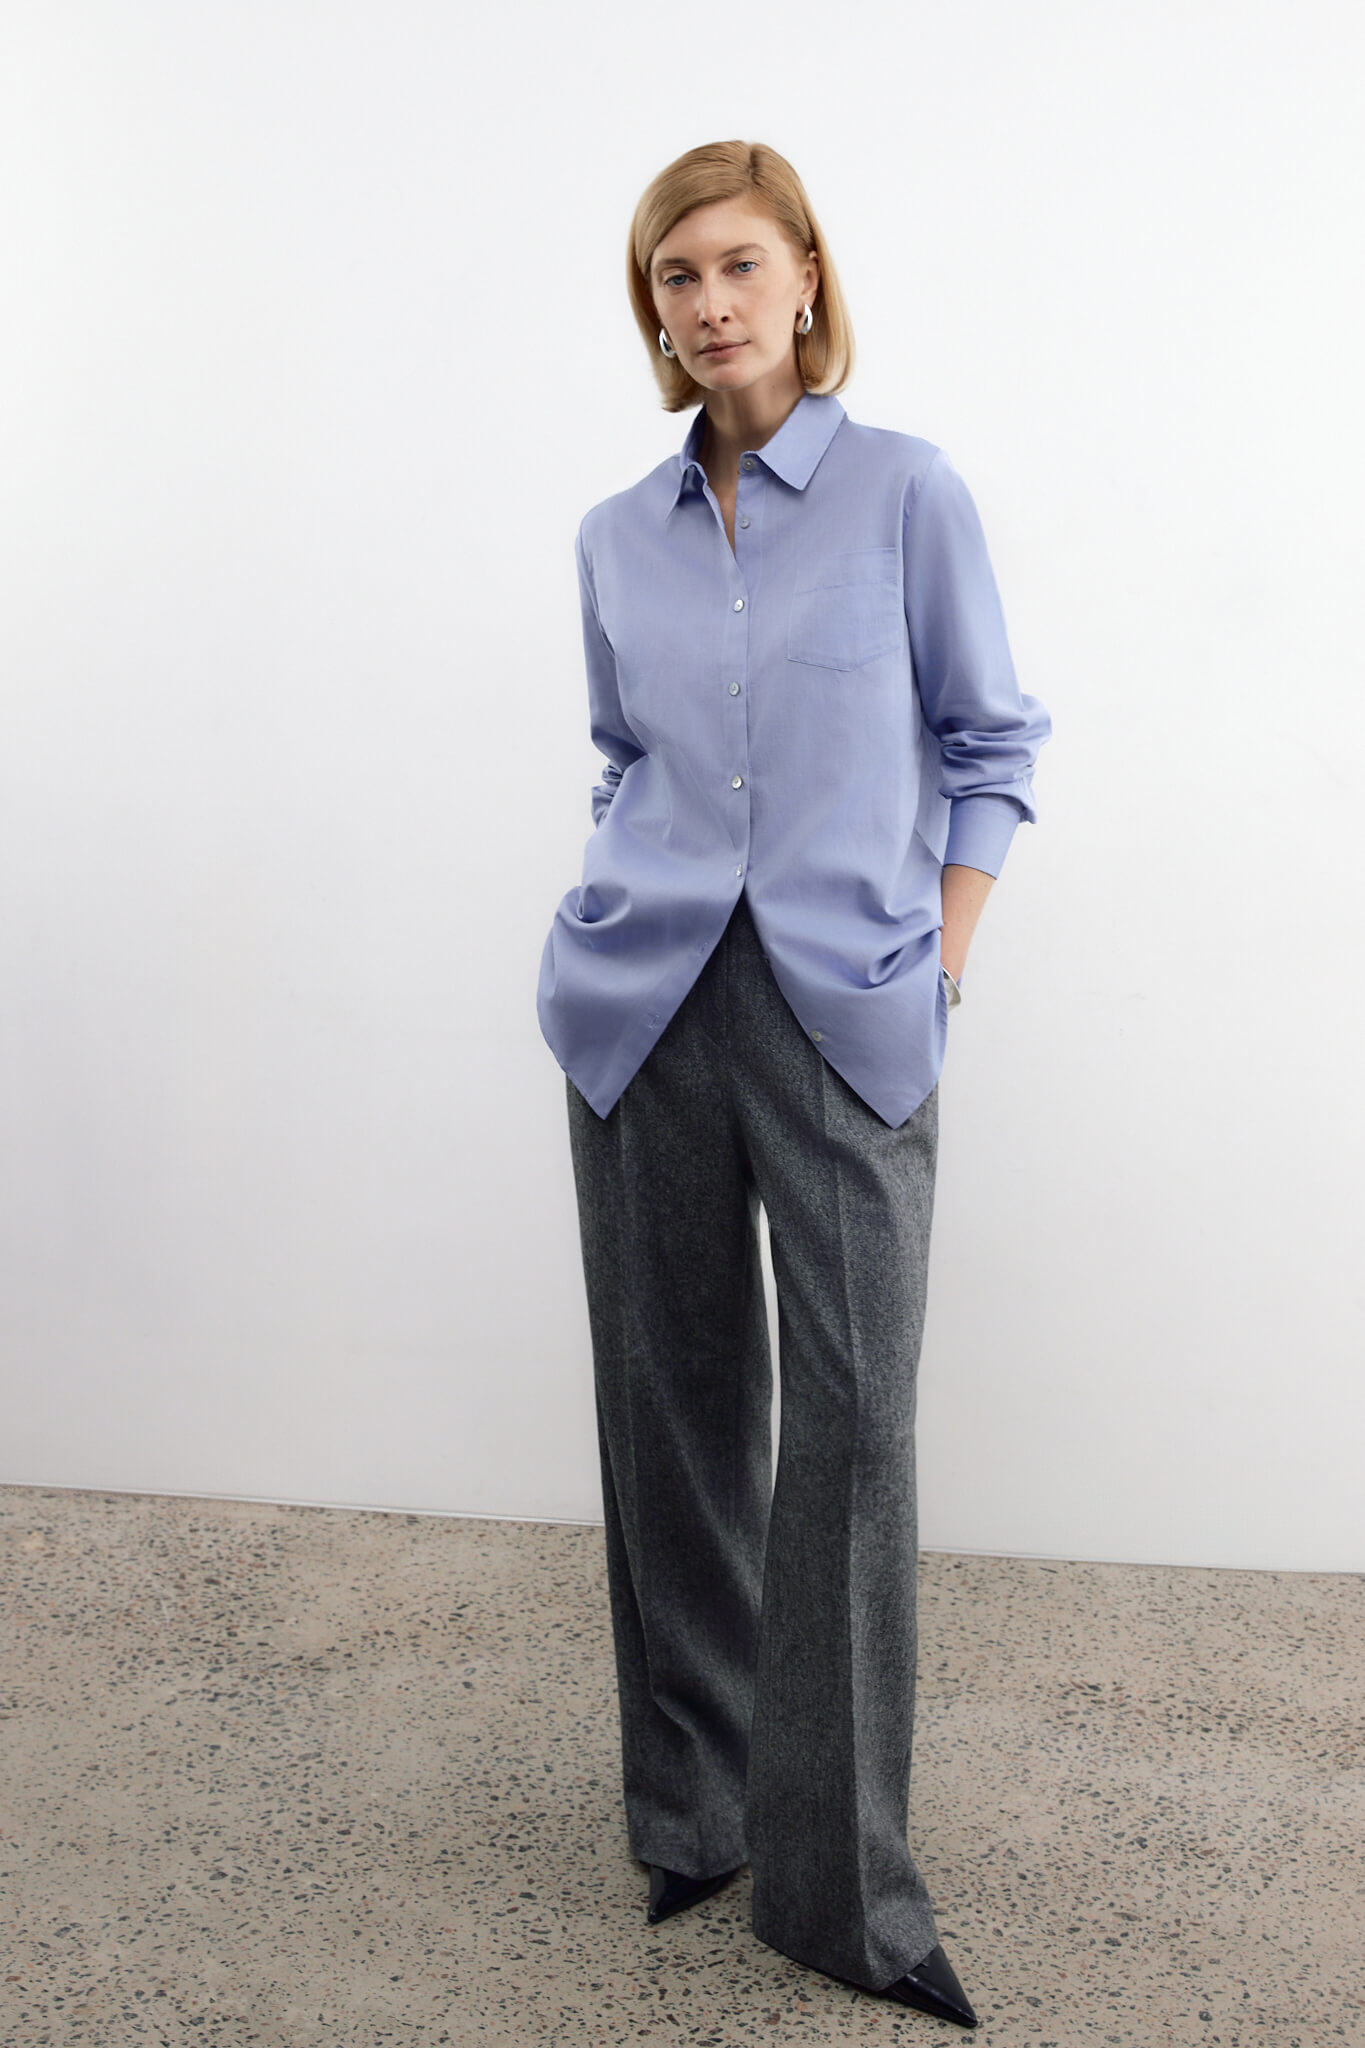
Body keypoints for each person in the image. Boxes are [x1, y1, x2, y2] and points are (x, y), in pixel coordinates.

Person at [536, 139, 1051, 2031]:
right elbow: (623, 757)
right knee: (670, 1411)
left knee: (851, 1434)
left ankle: (843, 1894)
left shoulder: (908, 493)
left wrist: (941, 960)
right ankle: (691, 1812)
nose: (709, 302)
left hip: (846, 1005)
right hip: (643, 1007)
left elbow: (991, 745)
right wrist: (614, 898)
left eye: (738, 263)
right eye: (673, 276)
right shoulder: (615, 535)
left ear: (807, 277)